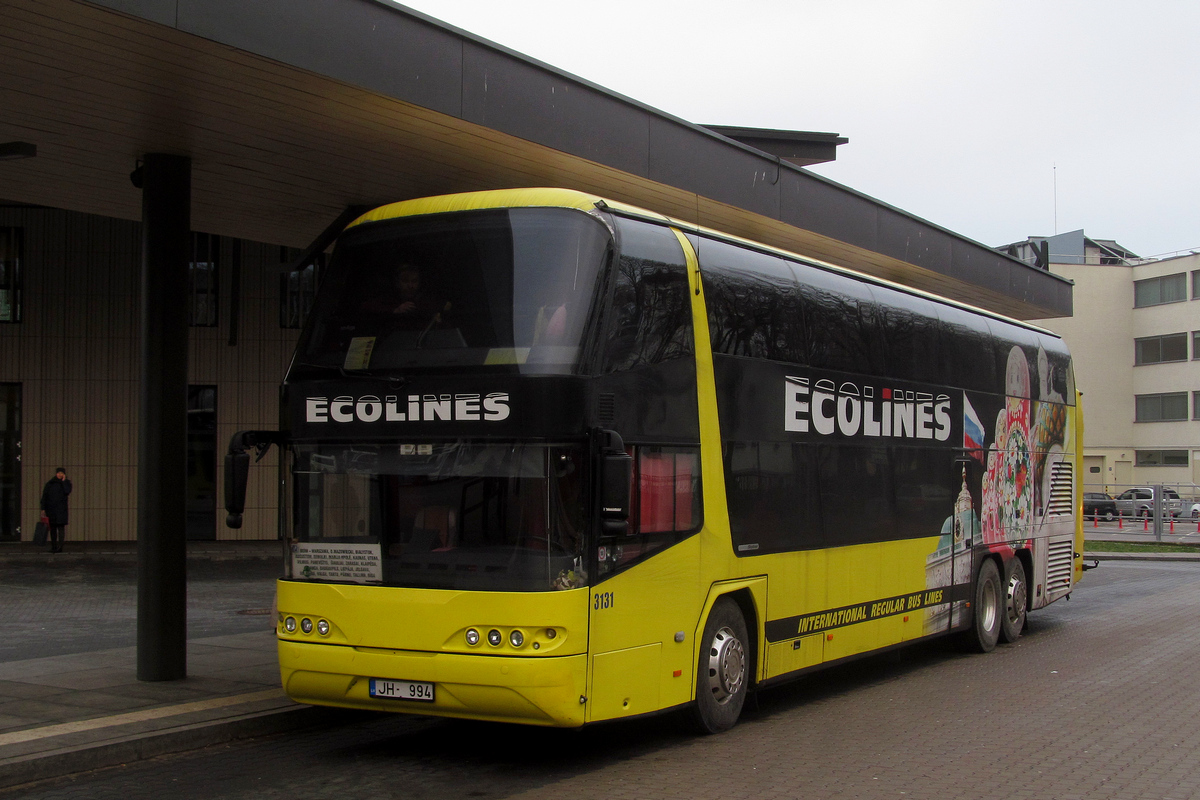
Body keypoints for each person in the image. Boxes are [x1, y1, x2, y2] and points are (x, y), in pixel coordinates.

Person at [361, 263, 445, 330]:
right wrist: (395, 311)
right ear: (397, 283)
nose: (410, 285)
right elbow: (366, 309)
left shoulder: (427, 301)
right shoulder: (388, 300)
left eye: (414, 281)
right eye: (405, 281)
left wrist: (437, 322)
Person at [40, 468, 72, 553]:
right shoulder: (50, 484)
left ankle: (60, 546)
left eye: (61, 473)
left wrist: (64, 481)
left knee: (61, 528)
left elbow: (67, 491)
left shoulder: (67, 483)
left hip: (61, 509)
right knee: (53, 528)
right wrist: (43, 508)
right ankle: (54, 546)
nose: (59, 475)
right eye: (58, 473)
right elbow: (44, 496)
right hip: (51, 509)